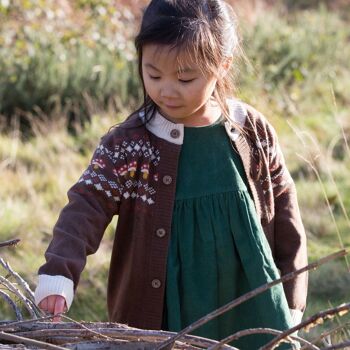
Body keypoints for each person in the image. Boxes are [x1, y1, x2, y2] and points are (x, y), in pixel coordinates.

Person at [35, 0, 308, 348]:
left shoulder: (251, 132)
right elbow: (86, 204)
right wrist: (60, 270)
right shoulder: (131, 144)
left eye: (185, 78)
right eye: (154, 74)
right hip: (169, 309)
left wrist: (293, 292)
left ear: (221, 66)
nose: (167, 89)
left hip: (253, 301)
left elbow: (285, 211)